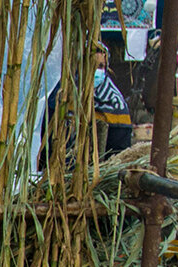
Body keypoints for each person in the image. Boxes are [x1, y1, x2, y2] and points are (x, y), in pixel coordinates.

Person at [38, 42, 131, 171]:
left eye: (101, 66)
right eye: (92, 65)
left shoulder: (115, 104)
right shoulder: (61, 95)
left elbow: (119, 153)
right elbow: (46, 144)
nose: (96, 71)